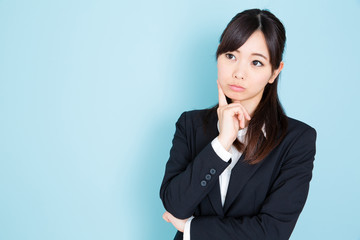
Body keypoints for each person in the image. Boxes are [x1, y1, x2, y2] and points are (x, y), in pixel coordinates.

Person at [159, 8, 317, 240]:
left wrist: (191, 228)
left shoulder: (297, 139)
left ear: (275, 72)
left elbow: (272, 231)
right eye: (231, 56)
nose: (239, 73)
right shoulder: (190, 124)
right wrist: (221, 143)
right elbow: (175, 205)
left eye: (256, 62)